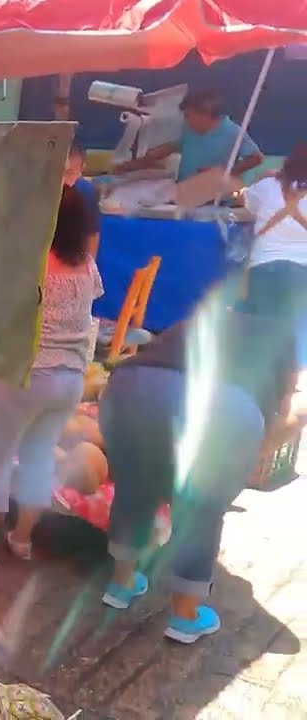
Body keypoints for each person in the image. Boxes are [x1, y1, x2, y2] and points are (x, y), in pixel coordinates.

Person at [98, 287, 297, 643]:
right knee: (201, 507)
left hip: (131, 384)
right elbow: (283, 408)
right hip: (223, 406)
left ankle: (121, 584)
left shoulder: (203, 318)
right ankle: (185, 616)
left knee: (133, 484)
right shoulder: (284, 337)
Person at [0, 185, 102, 566]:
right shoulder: (86, 266)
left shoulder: (30, 264)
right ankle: (21, 538)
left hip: (25, 376)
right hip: (70, 379)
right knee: (39, 459)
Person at [241, 143, 307, 367]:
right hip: (302, 269)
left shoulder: (268, 186)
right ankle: (291, 379)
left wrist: (263, 177)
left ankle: (261, 376)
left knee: (262, 326)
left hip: (264, 265)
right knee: (299, 330)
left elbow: (247, 203)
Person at [114, 90, 263, 183]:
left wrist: (224, 173)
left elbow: (256, 158)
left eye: (188, 115)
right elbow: (170, 147)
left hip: (218, 200)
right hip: (185, 191)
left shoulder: (233, 132)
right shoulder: (188, 129)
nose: (185, 119)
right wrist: (135, 164)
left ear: (204, 115)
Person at [64, 144, 102, 258]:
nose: (64, 180)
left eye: (70, 173)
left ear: (81, 169)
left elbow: (92, 233)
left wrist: (89, 266)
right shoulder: (40, 190)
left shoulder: (85, 191)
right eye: (61, 172)